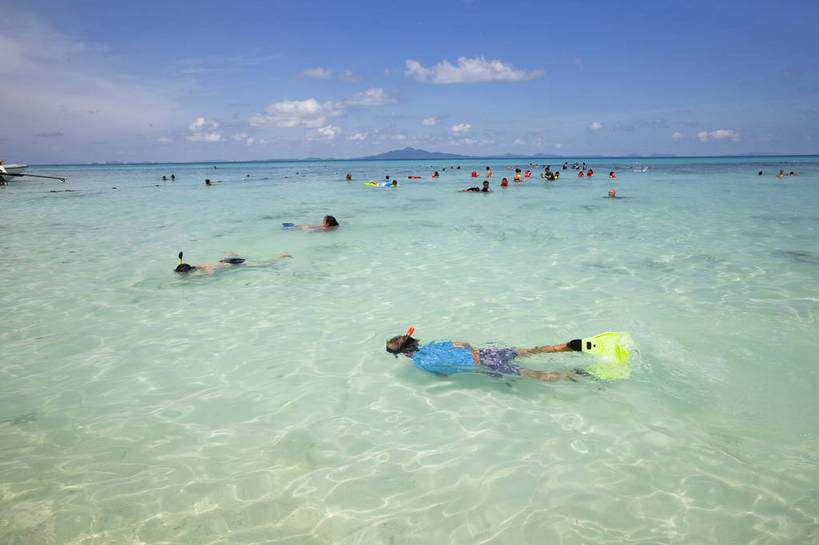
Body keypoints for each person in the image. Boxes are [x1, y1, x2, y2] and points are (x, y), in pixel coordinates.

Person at [386, 332, 585, 382]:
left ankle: (573, 375)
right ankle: (563, 347)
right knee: (528, 351)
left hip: (482, 364)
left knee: (532, 374)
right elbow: (463, 345)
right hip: (483, 353)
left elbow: (444, 376)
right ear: (413, 341)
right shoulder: (433, 345)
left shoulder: (421, 364)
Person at [175, 251, 292, 275]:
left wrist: (194, 279)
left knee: (265, 264)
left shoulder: (207, 268)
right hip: (225, 262)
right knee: (225, 262)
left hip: (237, 263)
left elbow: (209, 276)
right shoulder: (198, 266)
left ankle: (280, 256)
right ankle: (233, 254)